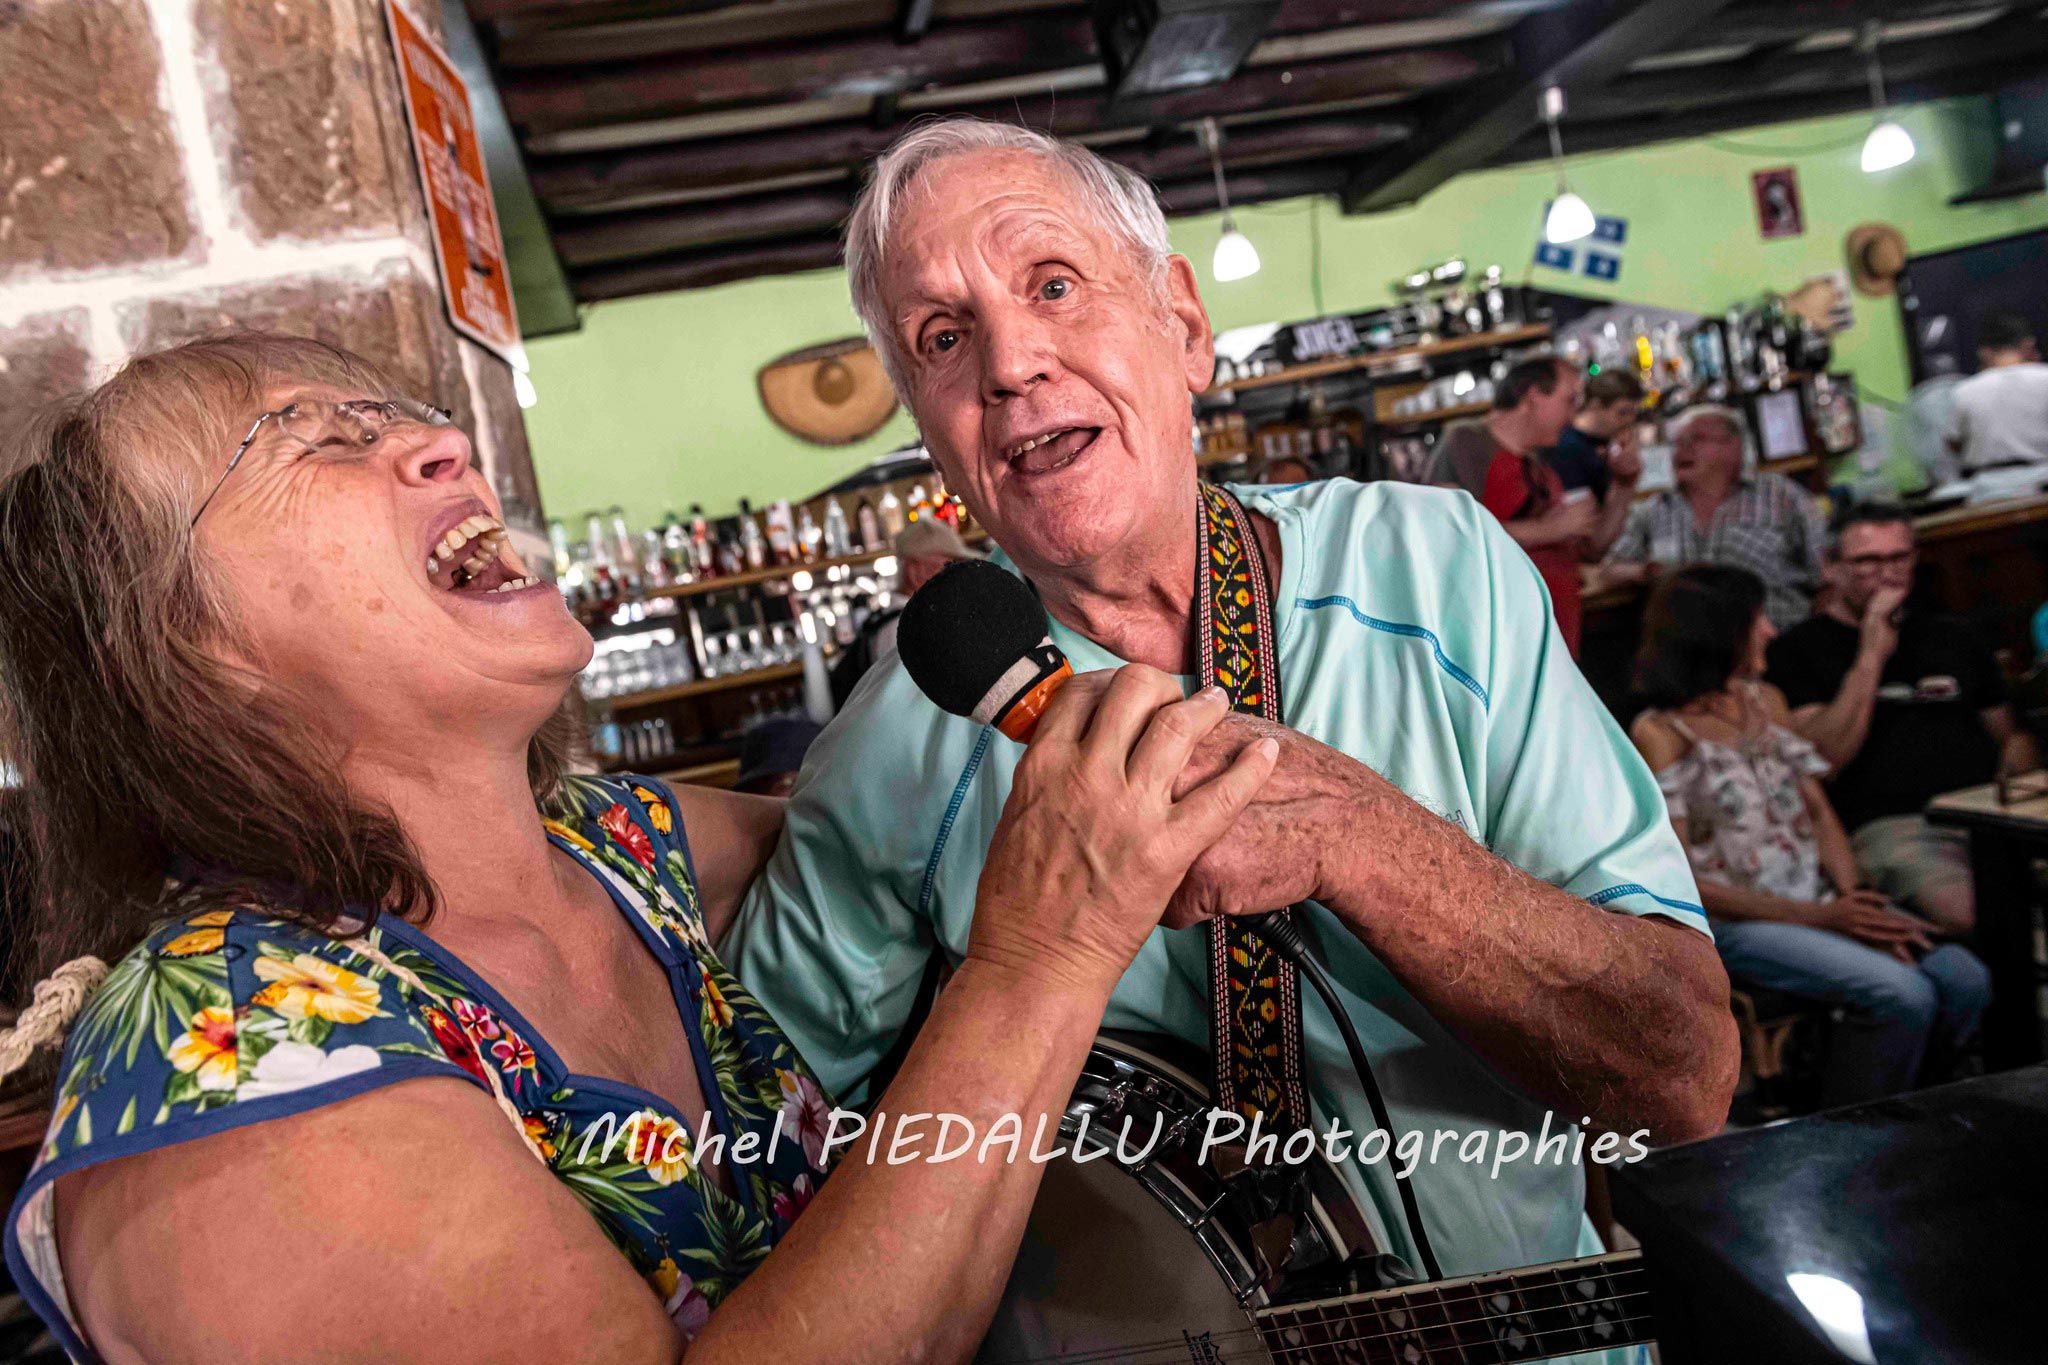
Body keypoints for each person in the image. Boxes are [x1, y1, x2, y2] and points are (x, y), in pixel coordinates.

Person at [0, 333, 1286, 1363]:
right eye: (315, 439)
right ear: (188, 645)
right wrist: (1040, 956)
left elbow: (903, 835)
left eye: (396, 414)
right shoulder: (220, 1077)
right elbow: (1017, 903)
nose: (444, 443)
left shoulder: (612, 845)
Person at [728, 119, 1737, 1314]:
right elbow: (753, 1168)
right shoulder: (890, 748)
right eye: (942, 339)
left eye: (1054, 283)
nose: (1008, 364)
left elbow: (1681, 1081)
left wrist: (1360, 839)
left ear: (1184, 325)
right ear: (933, 436)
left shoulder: (1435, 569)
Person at [1629, 566, 1989, 1105]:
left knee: (1963, 976)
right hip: (1740, 920)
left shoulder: (1766, 702)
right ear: (1720, 632)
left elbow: (1817, 812)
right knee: (1902, 994)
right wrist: (1825, 919)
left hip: (1820, 904)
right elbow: (1683, 879)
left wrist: (1853, 901)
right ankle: (1850, 1129)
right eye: (1758, 620)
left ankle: (1921, 1102)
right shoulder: (1661, 733)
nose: (1772, 631)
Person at [1766, 503, 2038, 934]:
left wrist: (2017, 766)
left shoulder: (1953, 634)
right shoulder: (1796, 651)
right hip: (1897, 827)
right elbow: (1825, 758)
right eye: (1868, 561)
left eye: (1899, 558)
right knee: (1972, 909)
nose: (1887, 573)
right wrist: (1872, 653)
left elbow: (2009, 736)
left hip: (1987, 811)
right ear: (1831, 567)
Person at [1426, 356, 1615, 654]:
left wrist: (1625, 486)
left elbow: (1592, 550)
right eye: (1569, 400)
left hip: (1556, 639)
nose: (1573, 415)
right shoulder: (1467, 442)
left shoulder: (1540, 460)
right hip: (1504, 644)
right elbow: (1444, 532)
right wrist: (1547, 529)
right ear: (1534, 396)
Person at [1603, 404, 1825, 629]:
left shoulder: (1780, 496)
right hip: (1691, 646)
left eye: (1696, 440)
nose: (1682, 450)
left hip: (1776, 638)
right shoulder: (1656, 508)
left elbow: (1825, 569)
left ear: (1733, 447)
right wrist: (1644, 571)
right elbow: (1611, 568)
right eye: (1676, 443)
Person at [828, 515, 983, 707]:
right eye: (947, 565)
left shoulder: (893, 622)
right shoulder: (906, 629)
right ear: (914, 571)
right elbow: (916, 709)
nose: (957, 575)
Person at [1945, 310, 2048, 470]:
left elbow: (1954, 444)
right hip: (2042, 480)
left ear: (1984, 353)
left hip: (1987, 486)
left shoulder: (1964, 391)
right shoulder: (2044, 378)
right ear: (2028, 345)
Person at [1546, 366, 1645, 514]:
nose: (1629, 420)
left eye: (1633, 413)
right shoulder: (1568, 448)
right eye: (1623, 412)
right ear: (1595, 405)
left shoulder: (1607, 442)